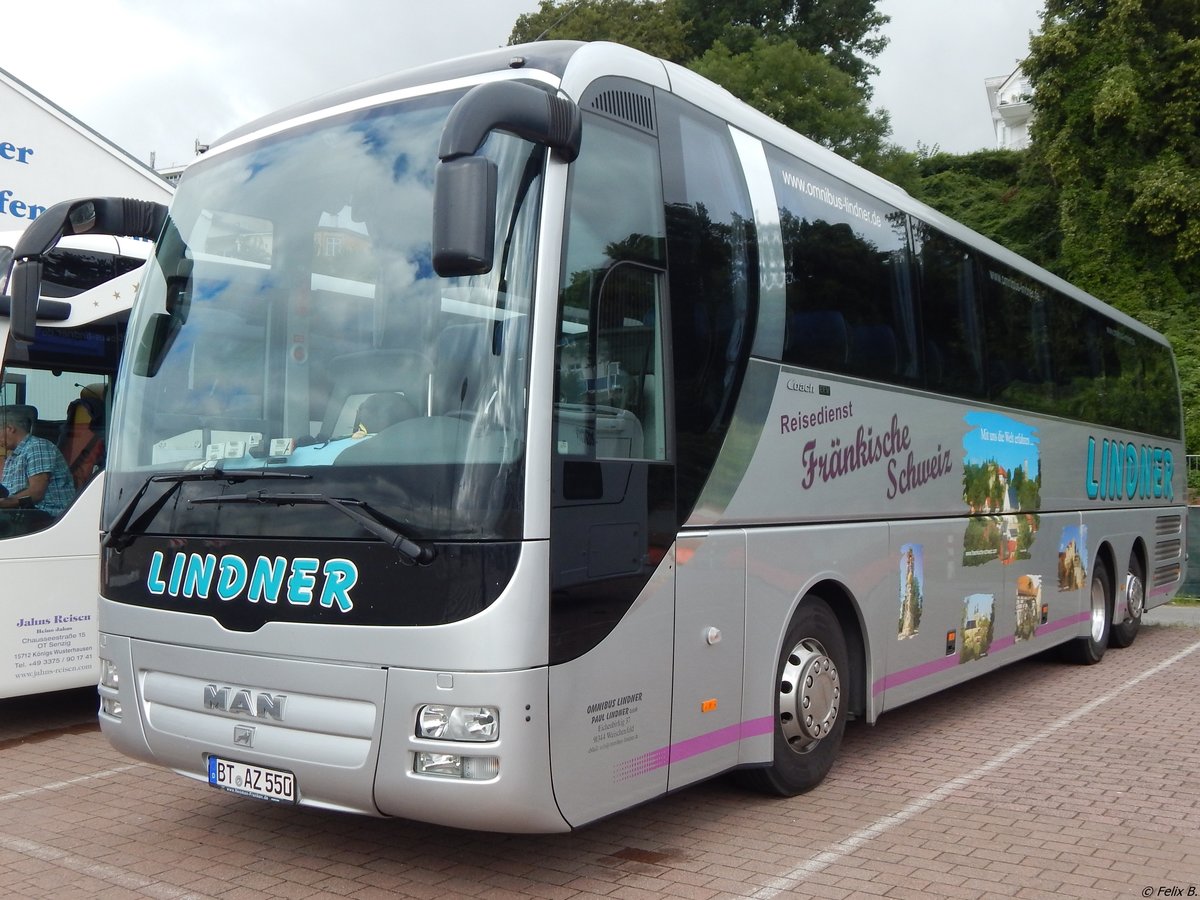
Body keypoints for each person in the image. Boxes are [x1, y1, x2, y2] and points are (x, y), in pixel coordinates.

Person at [0, 404, 76, 523]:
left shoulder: (37, 447)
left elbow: (36, 492)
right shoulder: (12, 457)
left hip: (49, 516)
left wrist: (6, 503)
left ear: (10, 428)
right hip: (23, 514)